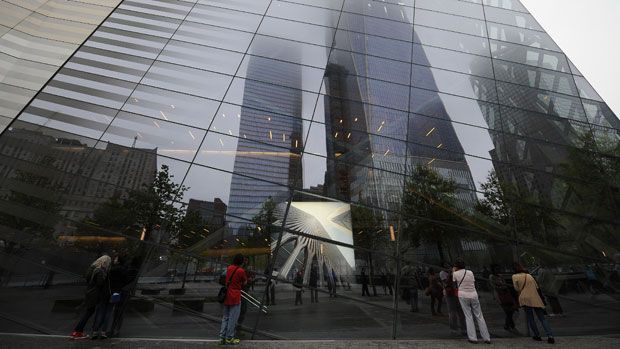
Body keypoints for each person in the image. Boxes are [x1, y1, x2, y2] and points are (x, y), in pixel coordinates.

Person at [70, 255, 112, 340]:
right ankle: (77, 331)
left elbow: (88, 279)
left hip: (90, 292)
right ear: (105, 263)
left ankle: (78, 331)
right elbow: (100, 283)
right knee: (88, 312)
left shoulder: (93, 268)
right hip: (94, 294)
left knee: (89, 312)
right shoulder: (100, 271)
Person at [513, 264, 555, 344]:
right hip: (535, 298)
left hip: (525, 298)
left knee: (530, 318)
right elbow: (537, 287)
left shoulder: (514, 276)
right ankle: (550, 336)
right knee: (542, 318)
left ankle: (537, 335)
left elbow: (516, 288)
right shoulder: (529, 276)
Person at [453, 259, 491, 344]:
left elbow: (454, 282)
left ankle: (473, 338)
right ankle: (486, 337)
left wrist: (453, 271)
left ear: (457, 266)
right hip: (473, 294)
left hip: (463, 295)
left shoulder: (455, 273)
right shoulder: (470, 272)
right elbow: (472, 282)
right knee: (479, 316)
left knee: (468, 316)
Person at [219, 254, 247, 345]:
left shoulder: (229, 268)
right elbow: (245, 282)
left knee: (225, 317)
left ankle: (222, 337)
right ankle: (229, 337)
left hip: (227, 295)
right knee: (233, 318)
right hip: (235, 295)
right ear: (241, 262)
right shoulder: (241, 271)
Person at [108, 256, 140, 337]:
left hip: (121, 291)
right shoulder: (133, 271)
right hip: (125, 292)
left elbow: (125, 280)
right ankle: (116, 330)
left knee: (117, 311)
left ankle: (113, 330)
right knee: (119, 312)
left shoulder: (128, 270)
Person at [488, 265, 517, 332]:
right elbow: (494, 285)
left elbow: (504, 283)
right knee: (507, 310)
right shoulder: (492, 276)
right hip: (499, 295)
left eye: (498, 269)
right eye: (496, 269)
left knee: (510, 309)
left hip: (506, 294)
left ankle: (508, 324)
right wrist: (501, 286)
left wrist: (502, 285)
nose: (497, 270)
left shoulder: (500, 276)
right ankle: (509, 324)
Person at [442, 264, 466, 336]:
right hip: (459, 294)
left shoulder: (450, 276)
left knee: (453, 312)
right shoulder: (461, 275)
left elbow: (446, 284)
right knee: (460, 313)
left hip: (451, 295)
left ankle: (454, 330)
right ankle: (463, 329)